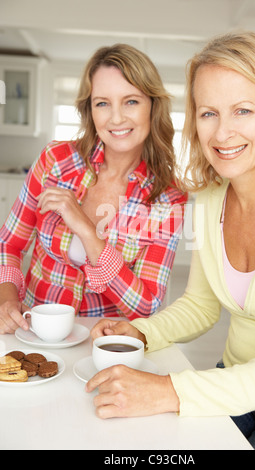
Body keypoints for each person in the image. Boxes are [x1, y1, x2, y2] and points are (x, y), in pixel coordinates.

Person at [86, 31, 255, 450]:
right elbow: (201, 306)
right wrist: (140, 332)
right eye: (208, 113)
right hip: (231, 383)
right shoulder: (208, 198)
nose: (222, 133)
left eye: (242, 110)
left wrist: (169, 390)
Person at [0, 44, 187, 334]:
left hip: (101, 345)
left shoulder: (167, 198)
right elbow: (9, 244)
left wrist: (86, 229)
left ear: (153, 105)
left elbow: (146, 305)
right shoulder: (55, 161)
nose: (116, 118)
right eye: (102, 103)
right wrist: (7, 299)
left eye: (131, 101)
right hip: (34, 334)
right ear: (89, 110)